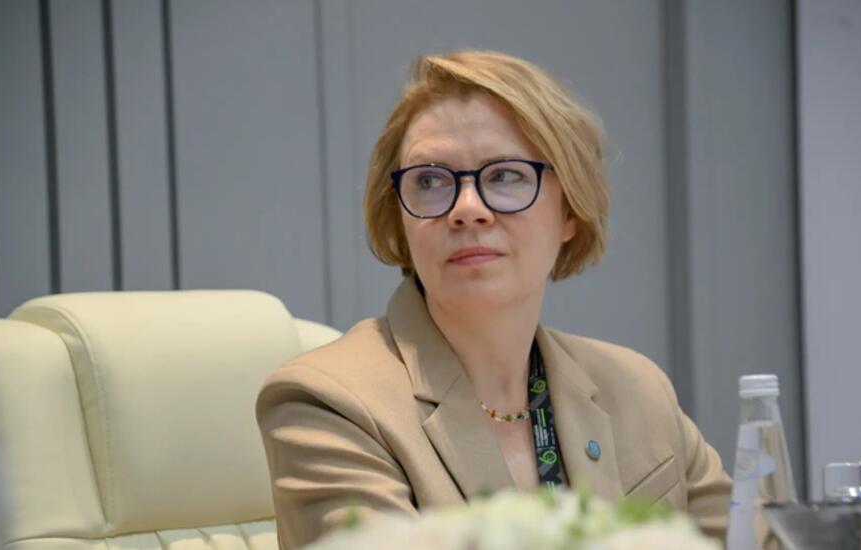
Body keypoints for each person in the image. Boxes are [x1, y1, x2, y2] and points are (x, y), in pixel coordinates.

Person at [256, 50, 732, 549]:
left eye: (505, 176)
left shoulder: (638, 388)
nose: (467, 209)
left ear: (570, 209)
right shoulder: (329, 403)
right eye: (429, 181)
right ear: (400, 217)